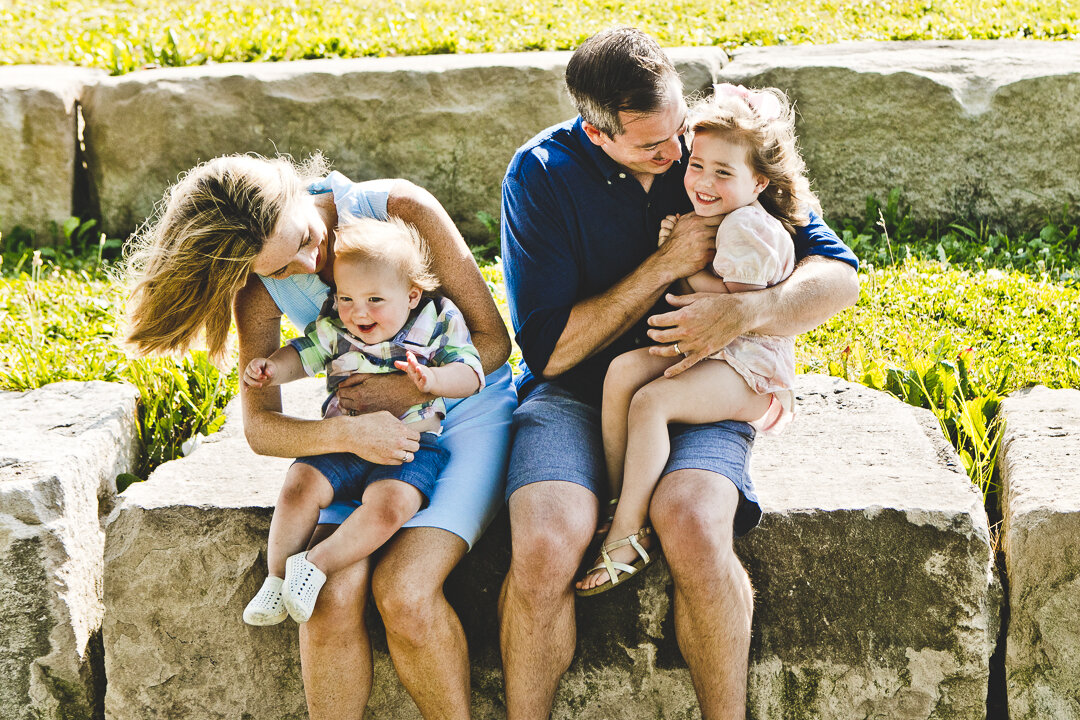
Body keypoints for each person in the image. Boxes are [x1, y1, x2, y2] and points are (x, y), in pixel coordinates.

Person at [499, 27, 860, 719]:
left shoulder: (711, 150)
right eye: (653, 147)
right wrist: (663, 267)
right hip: (576, 393)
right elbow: (549, 352)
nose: (676, 158)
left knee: (693, 520)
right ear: (595, 132)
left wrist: (748, 312)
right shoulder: (540, 175)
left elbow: (837, 276)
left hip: (705, 378)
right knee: (546, 541)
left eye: (678, 134)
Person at [124, 154, 516, 719]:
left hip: (462, 411)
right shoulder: (257, 291)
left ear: (295, 190)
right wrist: (350, 433)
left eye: (307, 238)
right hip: (359, 436)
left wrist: (404, 396)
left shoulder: (399, 212)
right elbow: (262, 428)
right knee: (326, 598)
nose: (311, 263)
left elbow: (493, 341)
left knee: (404, 592)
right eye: (283, 270)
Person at [576, 85, 807, 596]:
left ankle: (627, 533)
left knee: (652, 402)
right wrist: (679, 254)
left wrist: (680, 264)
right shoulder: (719, 216)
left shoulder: (747, 226)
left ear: (758, 181)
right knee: (623, 374)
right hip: (716, 353)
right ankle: (620, 498)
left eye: (723, 173)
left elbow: (733, 309)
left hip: (749, 367)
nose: (702, 181)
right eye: (697, 165)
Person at [241, 217, 485, 625]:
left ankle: (313, 565)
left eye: (374, 300)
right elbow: (303, 354)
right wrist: (272, 368)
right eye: (347, 298)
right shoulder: (336, 325)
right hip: (344, 438)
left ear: (411, 296)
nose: (358, 312)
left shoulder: (437, 321)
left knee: (392, 506)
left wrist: (432, 382)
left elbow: (473, 372)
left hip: (409, 444)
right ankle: (277, 578)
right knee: (299, 486)